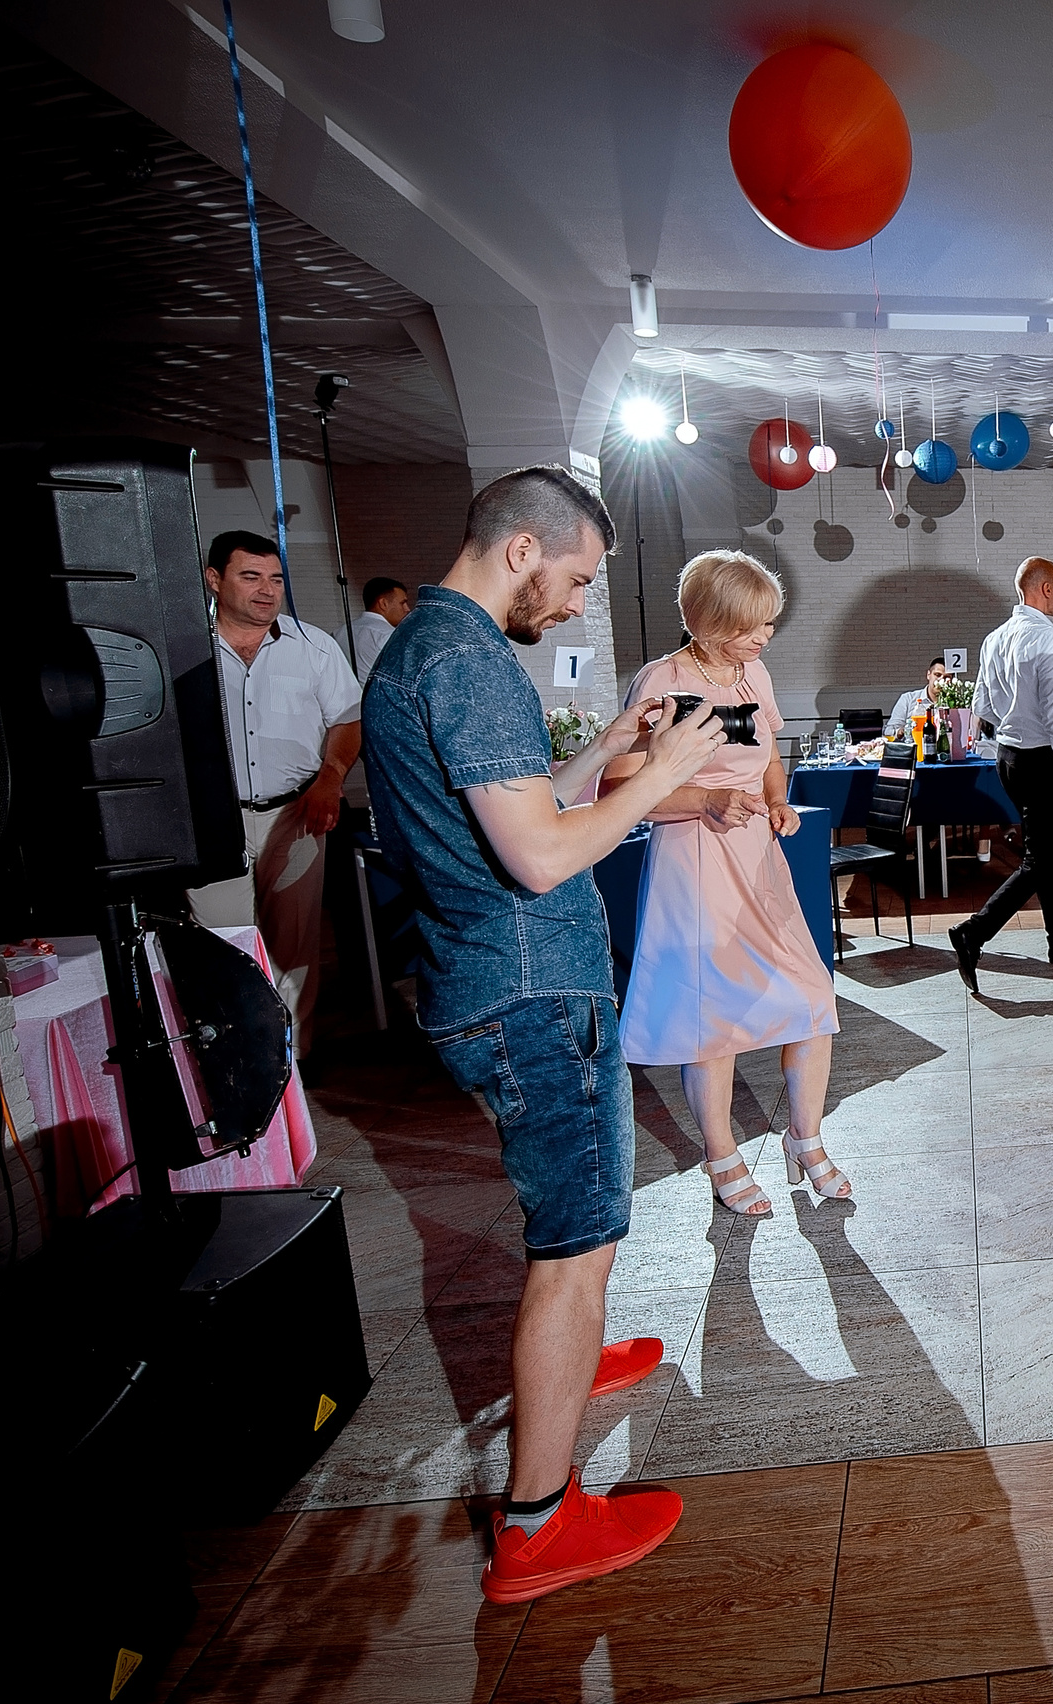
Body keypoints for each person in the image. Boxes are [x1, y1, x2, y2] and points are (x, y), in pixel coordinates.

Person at [365, 465, 726, 1604]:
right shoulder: (471, 659)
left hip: (491, 978)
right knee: (574, 1245)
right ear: (522, 549)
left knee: (577, 1230)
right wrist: (661, 772)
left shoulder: (425, 645)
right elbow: (539, 855)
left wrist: (608, 745)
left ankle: (572, 1360)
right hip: (529, 990)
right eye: (572, 579)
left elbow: (522, 807)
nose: (573, 605)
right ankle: (537, 1520)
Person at [606, 552, 845, 1215]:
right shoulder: (664, 680)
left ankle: (806, 1139)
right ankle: (722, 1156)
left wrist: (778, 799)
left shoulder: (752, 674)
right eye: (747, 627)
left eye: (767, 625)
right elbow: (623, 785)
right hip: (693, 859)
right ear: (703, 619)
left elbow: (767, 752)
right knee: (710, 1021)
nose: (761, 639)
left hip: (757, 858)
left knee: (811, 999)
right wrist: (705, 798)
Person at [187, 530, 364, 1059]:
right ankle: (239, 1061)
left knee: (294, 947)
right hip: (212, 819)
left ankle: (291, 1063)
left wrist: (330, 779)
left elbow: (348, 718)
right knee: (223, 944)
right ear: (214, 580)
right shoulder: (186, 648)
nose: (267, 591)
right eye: (251, 576)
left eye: (276, 578)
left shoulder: (315, 648)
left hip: (297, 812)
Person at [949, 558, 1053, 991]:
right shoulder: (1050, 639)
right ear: (1046, 589)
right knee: (1040, 859)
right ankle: (973, 933)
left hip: (1008, 758)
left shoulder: (994, 638)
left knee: (1044, 850)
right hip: (1039, 761)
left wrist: (1012, 724)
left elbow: (982, 705)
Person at [352, 575, 413, 684]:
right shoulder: (389, 635)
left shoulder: (338, 633)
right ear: (383, 604)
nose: (407, 609)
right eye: (402, 603)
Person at [888, 656, 951, 733]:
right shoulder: (908, 699)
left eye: (947, 677)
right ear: (928, 675)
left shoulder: (956, 704)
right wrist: (903, 732)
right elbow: (889, 730)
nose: (941, 680)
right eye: (937, 675)